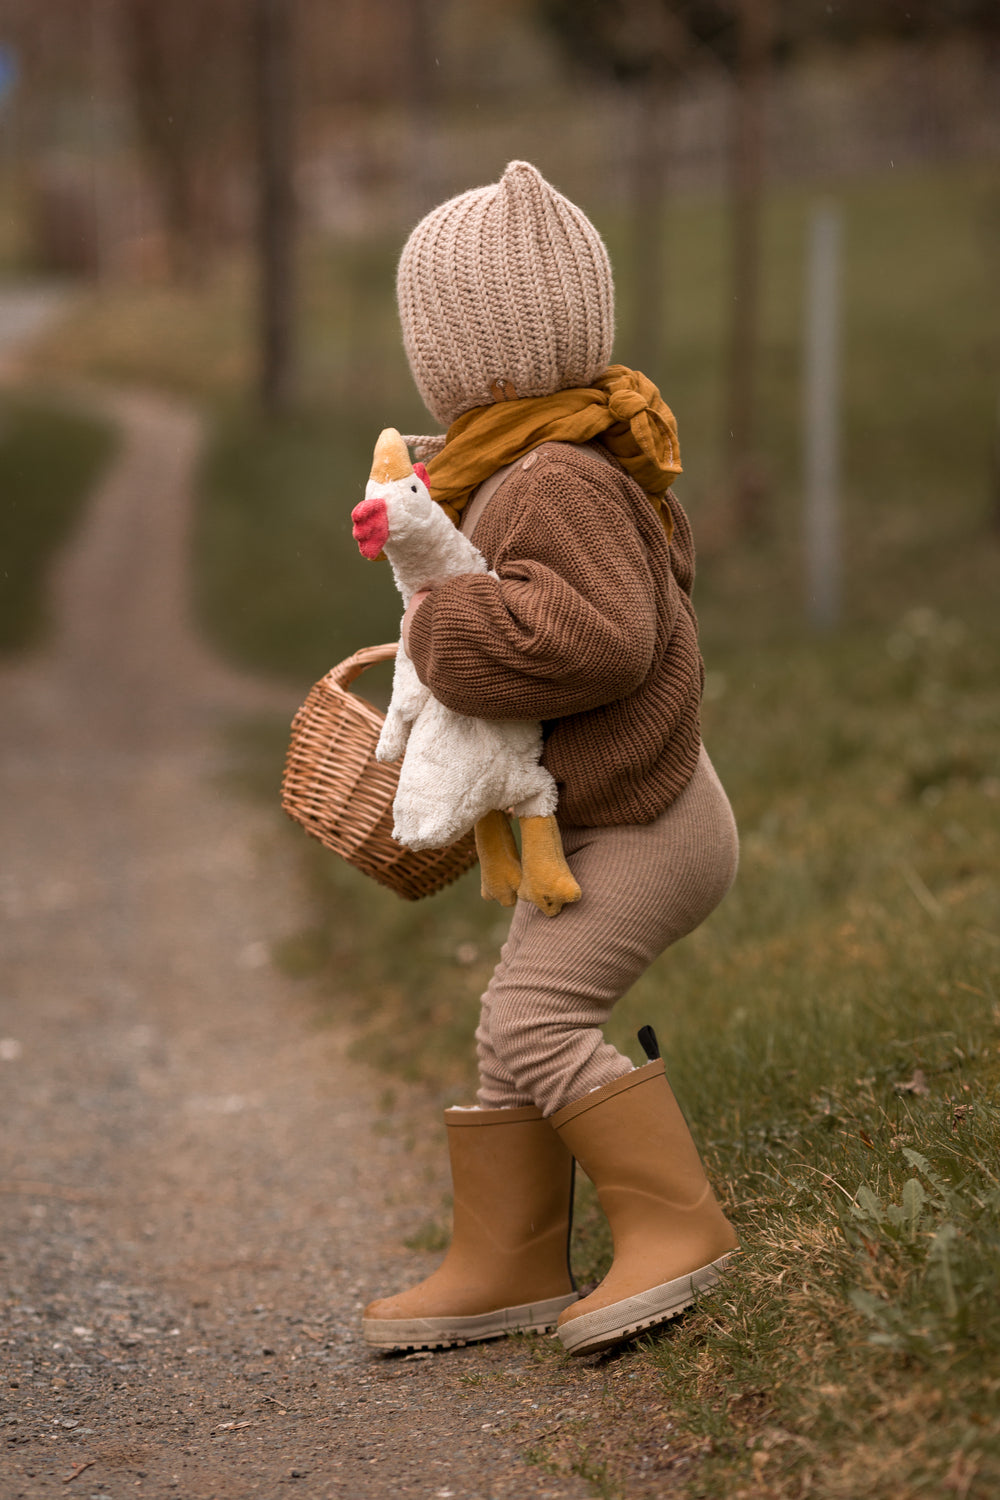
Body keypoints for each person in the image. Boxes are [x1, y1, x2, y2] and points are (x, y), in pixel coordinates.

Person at [362, 161, 739, 1359]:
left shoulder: (554, 476)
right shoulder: (528, 462)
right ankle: (506, 1260)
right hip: (610, 815)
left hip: (652, 824)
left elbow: (595, 638)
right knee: (506, 1028)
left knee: (536, 1020)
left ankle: (680, 1229)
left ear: (475, 359)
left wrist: (433, 627)